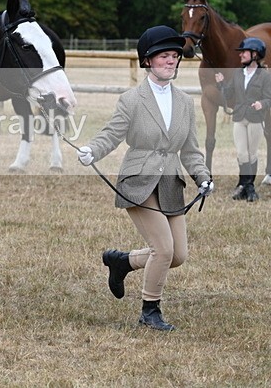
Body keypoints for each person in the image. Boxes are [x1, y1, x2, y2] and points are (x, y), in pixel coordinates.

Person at [76, 25, 213, 331]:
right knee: (162, 250)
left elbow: (190, 150)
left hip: (169, 183)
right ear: (148, 61)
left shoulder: (185, 102)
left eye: (175, 56)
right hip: (138, 181)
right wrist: (91, 151)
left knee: (178, 255)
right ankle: (150, 311)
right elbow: (112, 134)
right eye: (164, 56)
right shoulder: (132, 99)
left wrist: (203, 177)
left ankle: (122, 261)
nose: (171, 61)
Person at [215, 37, 271, 202]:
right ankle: (248, 187)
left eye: (244, 53)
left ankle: (246, 186)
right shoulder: (238, 73)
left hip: (255, 119)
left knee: (252, 153)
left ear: (255, 54)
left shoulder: (264, 76)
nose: (240, 56)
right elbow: (229, 94)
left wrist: (262, 103)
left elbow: (269, 98)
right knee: (241, 153)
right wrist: (221, 84)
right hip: (239, 117)